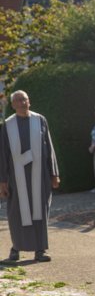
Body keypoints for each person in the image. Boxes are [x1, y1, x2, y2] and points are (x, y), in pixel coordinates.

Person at [0, 90, 60, 263]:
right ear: (13, 105)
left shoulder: (40, 120)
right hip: (16, 179)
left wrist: (54, 173)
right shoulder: (8, 125)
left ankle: (40, 250)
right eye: (18, 100)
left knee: (40, 212)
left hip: (40, 176)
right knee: (16, 214)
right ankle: (16, 249)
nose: (22, 103)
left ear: (29, 101)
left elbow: (49, 147)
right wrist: (2, 181)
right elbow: (3, 154)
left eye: (24, 99)